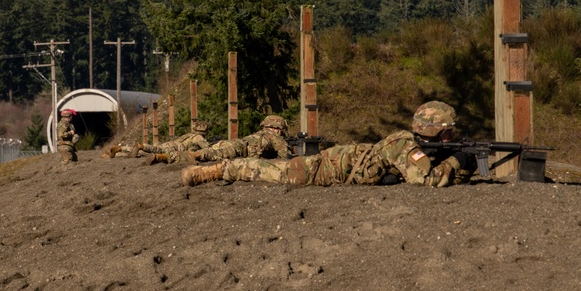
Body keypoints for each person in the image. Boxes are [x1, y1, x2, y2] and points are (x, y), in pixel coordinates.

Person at [182, 101, 473, 188]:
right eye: (448, 132)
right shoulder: (405, 145)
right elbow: (426, 179)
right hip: (329, 169)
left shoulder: (411, 144)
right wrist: (460, 160)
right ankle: (218, 170)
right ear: (437, 132)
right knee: (274, 172)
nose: (451, 137)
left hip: (342, 161)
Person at [185, 114, 292, 163]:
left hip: (239, 142)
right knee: (218, 154)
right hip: (243, 149)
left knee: (215, 149)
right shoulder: (275, 137)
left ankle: (187, 154)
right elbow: (284, 156)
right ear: (277, 129)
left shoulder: (261, 133)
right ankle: (198, 155)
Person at [134, 120, 212, 164]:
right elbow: (208, 148)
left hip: (173, 143)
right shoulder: (198, 137)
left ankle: (141, 147)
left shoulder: (191, 134)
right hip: (176, 147)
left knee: (158, 148)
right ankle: (142, 146)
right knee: (159, 150)